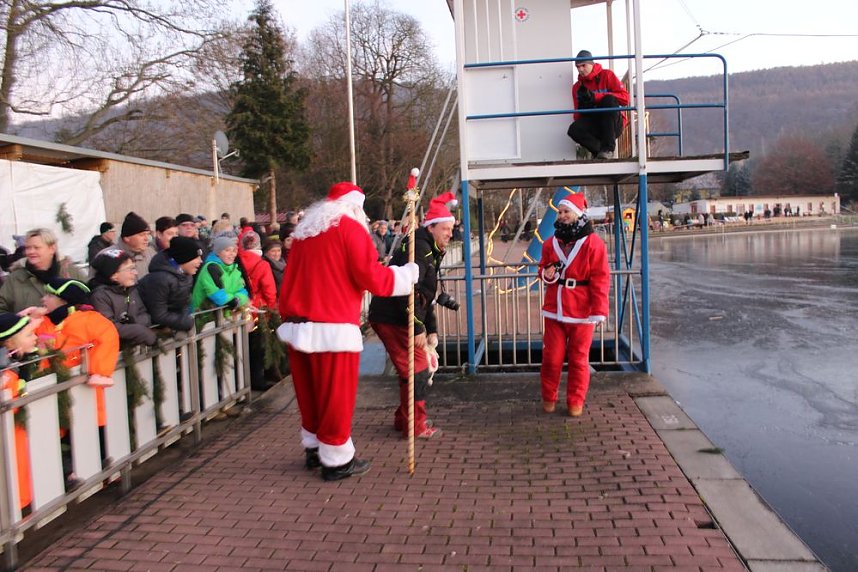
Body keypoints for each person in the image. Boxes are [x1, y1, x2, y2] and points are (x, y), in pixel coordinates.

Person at [277, 181, 418, 481]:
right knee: (335, 396)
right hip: (332, 325)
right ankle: (337, 460)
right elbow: (371, 277)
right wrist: (406, 276)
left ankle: (315, 449)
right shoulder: (350, 229)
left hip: (298, 324)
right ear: (355, 207)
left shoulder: (304, 233)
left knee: (310, 394)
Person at [369, 191, 459, 439]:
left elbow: (425, 294)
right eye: (445, 229)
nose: (450, 234)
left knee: (411, 370)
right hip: (392, 315)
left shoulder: (427, 248)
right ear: (431, 228)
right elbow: (407, 292)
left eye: (451, 229)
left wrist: (431, 329)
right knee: (418, 368)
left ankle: (405, 419)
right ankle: (415, 425)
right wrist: (418, 327)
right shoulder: (419, 249)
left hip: (395, 314)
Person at [538, 192, 610, 417]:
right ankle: (549, 398)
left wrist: (599, 310)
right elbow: (543, 269)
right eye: (560, 212)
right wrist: (547, 274)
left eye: (566, 211)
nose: (562, 215)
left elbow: (601, 277)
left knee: (579, 360)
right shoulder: (550, 243)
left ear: (578, 213)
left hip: (582, 312)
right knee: (551, 358)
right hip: (555, 309)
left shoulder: (594, 244)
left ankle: (575, 402)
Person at [0, 311, 41, 512]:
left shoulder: (17, 367)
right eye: (28, 335)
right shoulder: (6, 375)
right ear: (9, 344)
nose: (35, 337)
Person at [0, 228, 86, 313]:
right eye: (28, 248)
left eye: (36, 247)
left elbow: (87, 304)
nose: (31, 252)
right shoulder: (16, 278)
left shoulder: (72, 273)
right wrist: (19, 320)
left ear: (52, 249)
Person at [567, 50, 630, 160]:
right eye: (577, 67)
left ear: (592, 64)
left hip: (613, 123)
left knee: (609, 100)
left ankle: (608, 149)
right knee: (573, 129)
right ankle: (601, 151)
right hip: (596, 123)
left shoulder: (607, 75)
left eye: (583, 65)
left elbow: (625, 98)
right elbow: (577, 116)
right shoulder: (577, 87)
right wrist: (584, 106)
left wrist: (596, 97)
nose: (580, 69)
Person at [89, 248, 157, 347]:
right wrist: (139, 331)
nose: (135, 273)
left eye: (134, 268)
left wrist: (134, 322)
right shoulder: (100, 296)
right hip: (115, 352)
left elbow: (145, 314)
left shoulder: (131, 290)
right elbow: (109, 328)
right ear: (114, 275)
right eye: (130, 269)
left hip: (135, 348)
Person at [238, 231, 278, 391]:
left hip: (242, 307)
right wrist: (270, 308)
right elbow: (269, 289)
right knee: (258, 347)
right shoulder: (262, 264)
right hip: (258, 310)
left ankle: (242, 381)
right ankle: (257, 379)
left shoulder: (237, 260)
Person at [138, 236, 203, 332]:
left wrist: (184, 319)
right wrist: (184, 322)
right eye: (196, 258)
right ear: (183, 259)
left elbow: (184, 303)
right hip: (152, 331)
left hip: (170, 326)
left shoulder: (186, 275)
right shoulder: (160, 279)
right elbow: (158, 314)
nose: (201, 261)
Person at [191, 233, 249, 312]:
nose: (232, 254)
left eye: (234, 251)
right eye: (227, 250)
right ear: (218, 252)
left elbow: (243, 291)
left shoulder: (234, 269)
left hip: (223, 316)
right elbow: (218, 296)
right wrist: (236, 300)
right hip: (204, 317)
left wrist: (237, 299)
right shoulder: (211, 268)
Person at [117, 212, 154, 278]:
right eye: (142, 235)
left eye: (148, 234)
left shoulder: (151, 253)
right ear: (127, 238)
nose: (146, 238)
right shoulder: (109, 256)